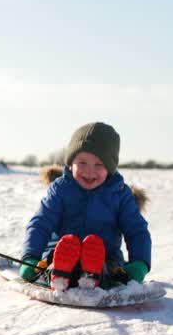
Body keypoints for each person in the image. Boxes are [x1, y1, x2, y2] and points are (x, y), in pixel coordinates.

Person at [20, 122, 152, 291]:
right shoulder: (61, 189)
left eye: (99, 165)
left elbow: (136, 230)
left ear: (110, 168)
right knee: (55, 259)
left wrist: (139, 263)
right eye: (82, 163)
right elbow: (41, 223)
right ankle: (58, 275)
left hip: (105, 257)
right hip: (60, 253)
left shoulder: (119, 194)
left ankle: (92, 275)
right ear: (70, 163)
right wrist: (30, 257)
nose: (89, 172)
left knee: (110, 270)